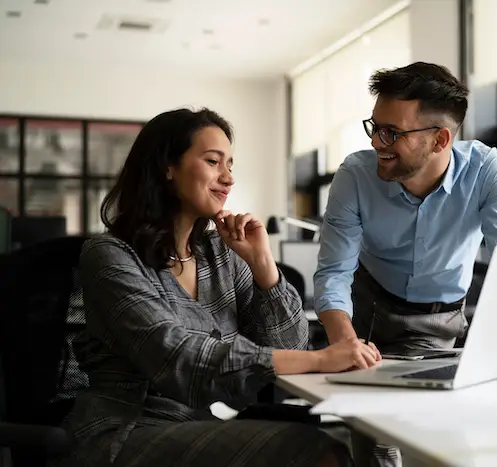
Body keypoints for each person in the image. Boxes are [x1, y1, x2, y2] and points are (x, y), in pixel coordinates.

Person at [57, 108, 378, 467]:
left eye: (230, 165)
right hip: (124, 430)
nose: (228, 178)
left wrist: (262, 264)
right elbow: (178, 359)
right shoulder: (110, 255)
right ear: (168, 167)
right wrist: (320, 358)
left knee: (327, 443)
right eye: (213, 161)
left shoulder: (218, 254)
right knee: (314, 450)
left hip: (199, 425)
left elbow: (290, 347)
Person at [314, 62, 497, 363]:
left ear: (440, 140)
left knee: (427, 401)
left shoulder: (485, 171)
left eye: (392, 132)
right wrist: (345, 344)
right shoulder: (355, 175)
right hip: (365, 309)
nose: (376, 142)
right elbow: (334, 273)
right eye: (375, 127)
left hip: (439, 319)